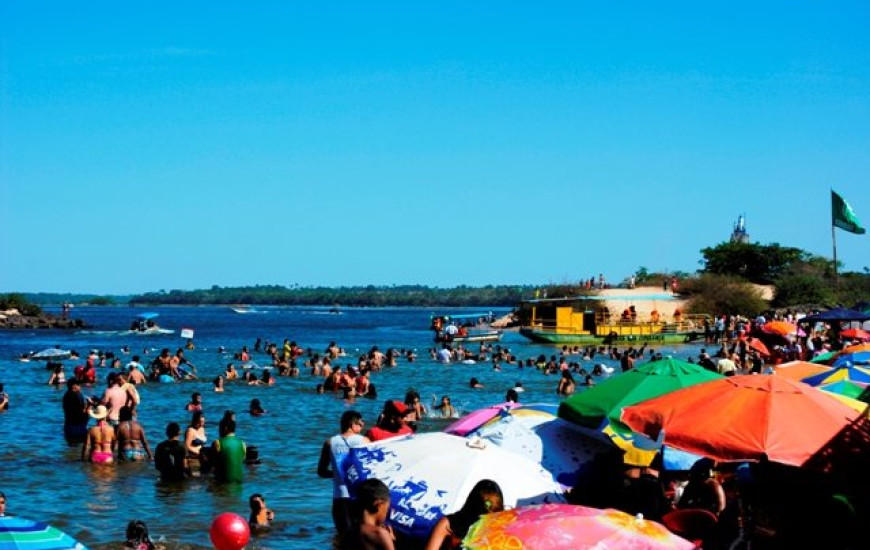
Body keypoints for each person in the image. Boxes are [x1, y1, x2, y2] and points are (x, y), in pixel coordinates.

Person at [317, 410, 370, 535]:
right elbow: (371, 468)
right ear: (353, 425)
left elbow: (321, 472)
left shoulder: (330, 443)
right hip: (359, 496)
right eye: (361, 424)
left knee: (342, 537)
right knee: (361, 537)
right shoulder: (364, 441)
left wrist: (337, 474)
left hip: (339, 497)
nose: (363, 427)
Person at [424, 479, 503, 550]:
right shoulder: (448, 524)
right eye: (484, 510)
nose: (490, 515)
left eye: (495, 511)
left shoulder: (498, 533)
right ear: (474, 506)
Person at [341, 478, 395, 550]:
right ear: (379, 505)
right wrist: (391, 539)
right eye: (386, 509)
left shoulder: (349, 533)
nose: (386, 514)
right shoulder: (380, 533)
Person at [212, 418, 246, 483]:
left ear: (225, 428)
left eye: (220, 428)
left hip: (222, 482)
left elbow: (212, 461)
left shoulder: (217, 443)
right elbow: (242, 459)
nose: (219, 430)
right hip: (239, 483)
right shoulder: (242, 444)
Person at [62, 379, 91, 443]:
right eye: (79, 385)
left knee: (71, 446)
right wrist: (89, 405)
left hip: (68, 425)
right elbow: (82, 411)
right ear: (74, 386)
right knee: (80, 446)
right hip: (78, 425)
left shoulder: (66, 395)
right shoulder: (77, 396)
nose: (80, 387)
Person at [184, 411, 209, 476]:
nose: (201, 424)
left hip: (201, 455)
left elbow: (202, 444)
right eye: (200, 422)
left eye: (203, 422)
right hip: (193, 455)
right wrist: (197, 452)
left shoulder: (202, 429)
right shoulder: (190, 430)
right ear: (195, 421)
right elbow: (187, 446)